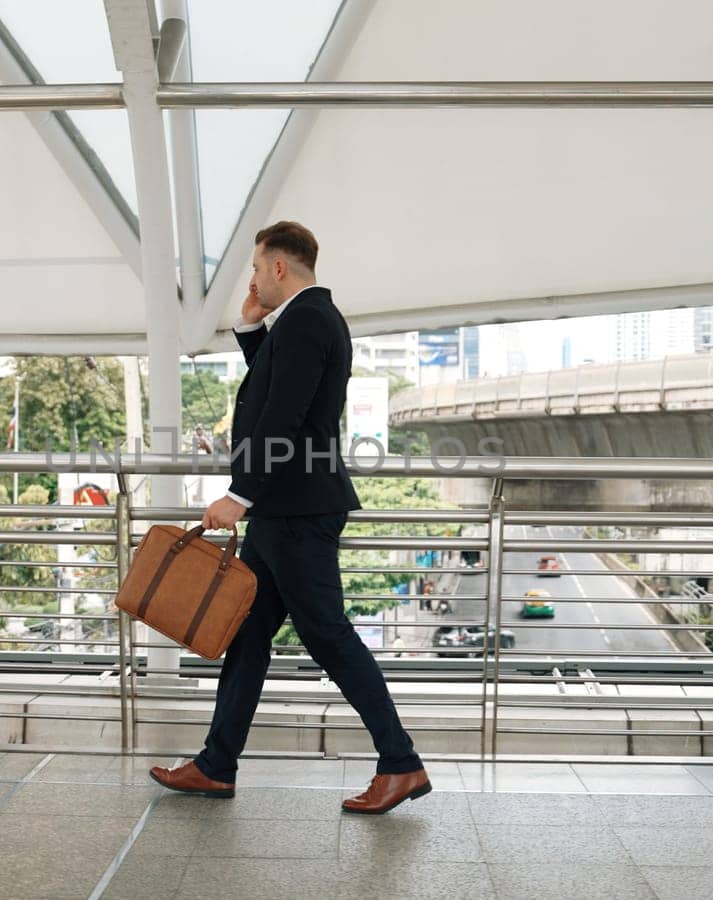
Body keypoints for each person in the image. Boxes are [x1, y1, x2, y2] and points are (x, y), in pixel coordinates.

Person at [148, 221, 431, 814]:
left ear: (280, 267)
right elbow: (274, 385)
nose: (250, 278)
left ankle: (401, 763)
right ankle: (215, 765)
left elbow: (282, 416)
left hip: (294, 511)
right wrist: (251, 327)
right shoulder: (306, 321)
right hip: (287, 510)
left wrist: (240, 495)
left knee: (327, 634)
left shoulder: (307, 319)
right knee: (247, 634)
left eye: (255, 268)